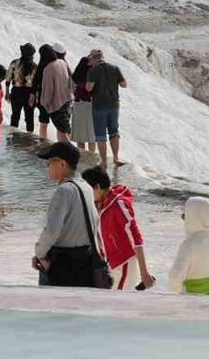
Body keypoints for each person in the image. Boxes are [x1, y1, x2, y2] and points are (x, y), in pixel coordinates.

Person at [33, 142, 106, 288]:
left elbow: (52, 230)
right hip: (85, 261)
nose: (48, 167)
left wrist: (39, 254)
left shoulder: (64, 191)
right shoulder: (86, 187)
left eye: (50, 162)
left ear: (62, 164)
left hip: (64, 265)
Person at [83, 166, 156, 291]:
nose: (86, 195)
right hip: (113, 264)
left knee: (119, 302)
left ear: (97, 187)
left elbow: (136, 237)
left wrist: (144, 273)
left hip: (125, 262)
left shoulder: (119, 204)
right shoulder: (102, 204)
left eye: (87, 190)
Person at [85, 49, 128, 167]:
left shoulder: (93, 70)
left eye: (90, 58)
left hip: (99, 106)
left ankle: (103, 161)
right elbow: (124, 84)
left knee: (100, 134)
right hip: (114, 105)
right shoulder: (115, 68)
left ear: (94, 58)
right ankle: (116, 158)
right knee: (114, 132)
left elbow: (89, 88)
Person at [39, 43, 74, 144]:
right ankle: (65, 152)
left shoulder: (48, 68)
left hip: (56, 104)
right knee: (63, 129)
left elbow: (48, 89)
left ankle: (70, 154)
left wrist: (45, 103)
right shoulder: (62, 63)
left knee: (62, 132)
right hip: (67, 100)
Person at [5, 44, 37, 133]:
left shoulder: (14, 63)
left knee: (15, 116)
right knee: (29, 117)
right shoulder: (34, 66)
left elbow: (8, 79)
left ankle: (13, 138)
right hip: (30, 94)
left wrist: (7, 93)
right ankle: (29, 139)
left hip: (16, 92)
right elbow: (36, 83)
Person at [70, 54, 96, 152]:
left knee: (80, 136)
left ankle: (82, 157)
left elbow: (71, 89)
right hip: (90, 106)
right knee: (91, 136)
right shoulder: (92, 76)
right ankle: (92, 156)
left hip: (78, 105)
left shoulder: (76, 77)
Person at [33, 45, 56, 139]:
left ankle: (43, 141)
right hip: (55, 98)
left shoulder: (40, 66)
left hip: (43, 99)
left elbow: (35, 84)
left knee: (43, 122)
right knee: (59, 124)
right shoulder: (56, 65)